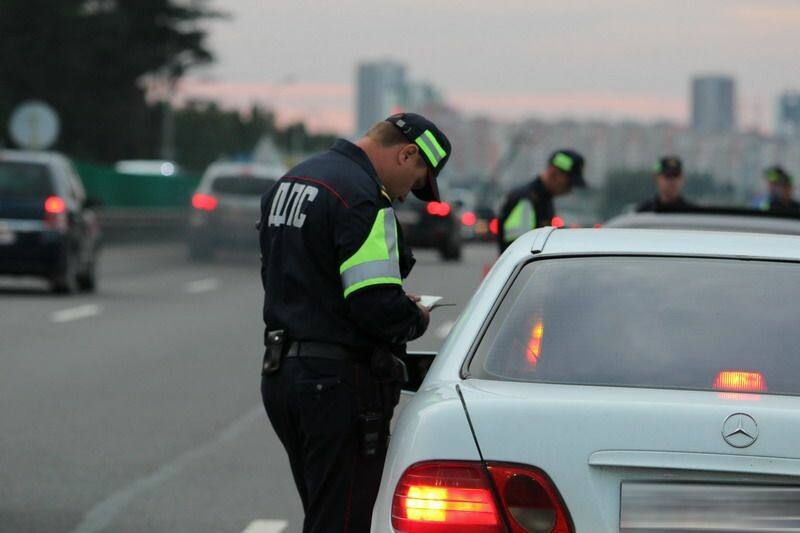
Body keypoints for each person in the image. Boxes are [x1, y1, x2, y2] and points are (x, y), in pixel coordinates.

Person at [258, 112, 451, 532]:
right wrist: (414, 317)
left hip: (282, 374)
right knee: (342, 521)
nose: (406, 196)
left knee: (323, 513)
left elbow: (288, 274)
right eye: (417, 181)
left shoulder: (294, 180)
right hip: (337, 384)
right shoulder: (363, 199)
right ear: (407, 154)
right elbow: (375, 305)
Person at [497, 149, 585, 253]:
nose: (570, 189)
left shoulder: (543, 200)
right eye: (569, 183)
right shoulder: (526, 201)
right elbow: (520, 249)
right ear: (554, 173)